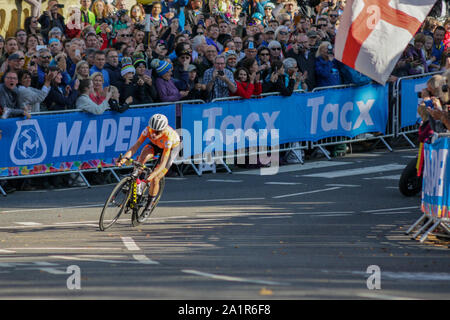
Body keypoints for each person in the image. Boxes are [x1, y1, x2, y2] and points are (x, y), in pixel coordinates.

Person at [117, 113, 181, 215]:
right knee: (140, 160)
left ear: (163, 130)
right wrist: (124, 158)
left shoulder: (169, 138)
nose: (153, 134)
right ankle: (138, 185)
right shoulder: (148, 130)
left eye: (157, 132)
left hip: (170, 148)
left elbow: (163, 162)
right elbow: (135, 147)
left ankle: (149, 206)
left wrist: (153, 175)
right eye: (153, 130)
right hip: (156, 144)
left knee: (156, 178)